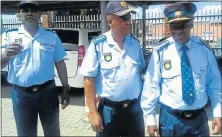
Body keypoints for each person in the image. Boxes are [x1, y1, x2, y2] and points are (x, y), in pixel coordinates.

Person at [141, 2, 221, 137]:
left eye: (182, 25)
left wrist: (218, 113)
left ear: (191, 24)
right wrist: (150, 120)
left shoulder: (204, 51)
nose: (178, 30)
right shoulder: (160, 52)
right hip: (170, 120)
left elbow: (214, 84)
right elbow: (151, 87)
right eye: (173, 26)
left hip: (199, 120)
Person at [1, 0, 70, 136]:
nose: (29, 13)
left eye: (33, 10)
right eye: (25, 10)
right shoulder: (8, 36)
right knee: (26, 134)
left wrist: (66, 88)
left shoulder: (52, 37)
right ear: (19, 15)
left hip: (48, 93)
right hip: (21, 95)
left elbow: (60, 63)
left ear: (39, 14)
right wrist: (6, 54)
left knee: (53, 133)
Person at [80, 1, 145, 136]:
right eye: (123, 18)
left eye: (129, 18)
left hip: (133, 110)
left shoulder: (135, 44)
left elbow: (141, 73)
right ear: (110, 21)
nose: (128, 22)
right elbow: (88, 80)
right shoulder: (98, 45)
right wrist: (93, 112)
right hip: (109, 111)